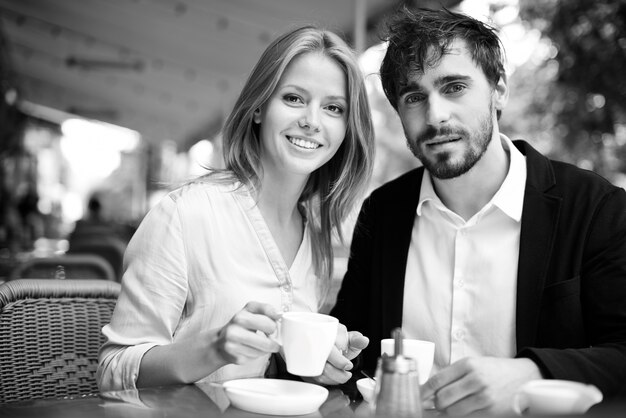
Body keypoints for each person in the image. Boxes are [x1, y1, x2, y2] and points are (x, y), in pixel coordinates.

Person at [330, 7, 626, 415]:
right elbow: (351, 348)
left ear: (498, 89)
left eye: (453, 87)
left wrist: (534, 372)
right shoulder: (381, 213)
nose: (435, 116)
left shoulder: (594, 207)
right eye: (414, 97)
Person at [97, 25, 375, 391]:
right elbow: (113, 370)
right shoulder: (185, 215)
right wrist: (214, 348)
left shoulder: (317, 241)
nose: (312, 120)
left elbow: (269, 372)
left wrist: (309, 366)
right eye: (293, 98)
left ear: (346, 129)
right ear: (259, 108)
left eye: (333, 108)